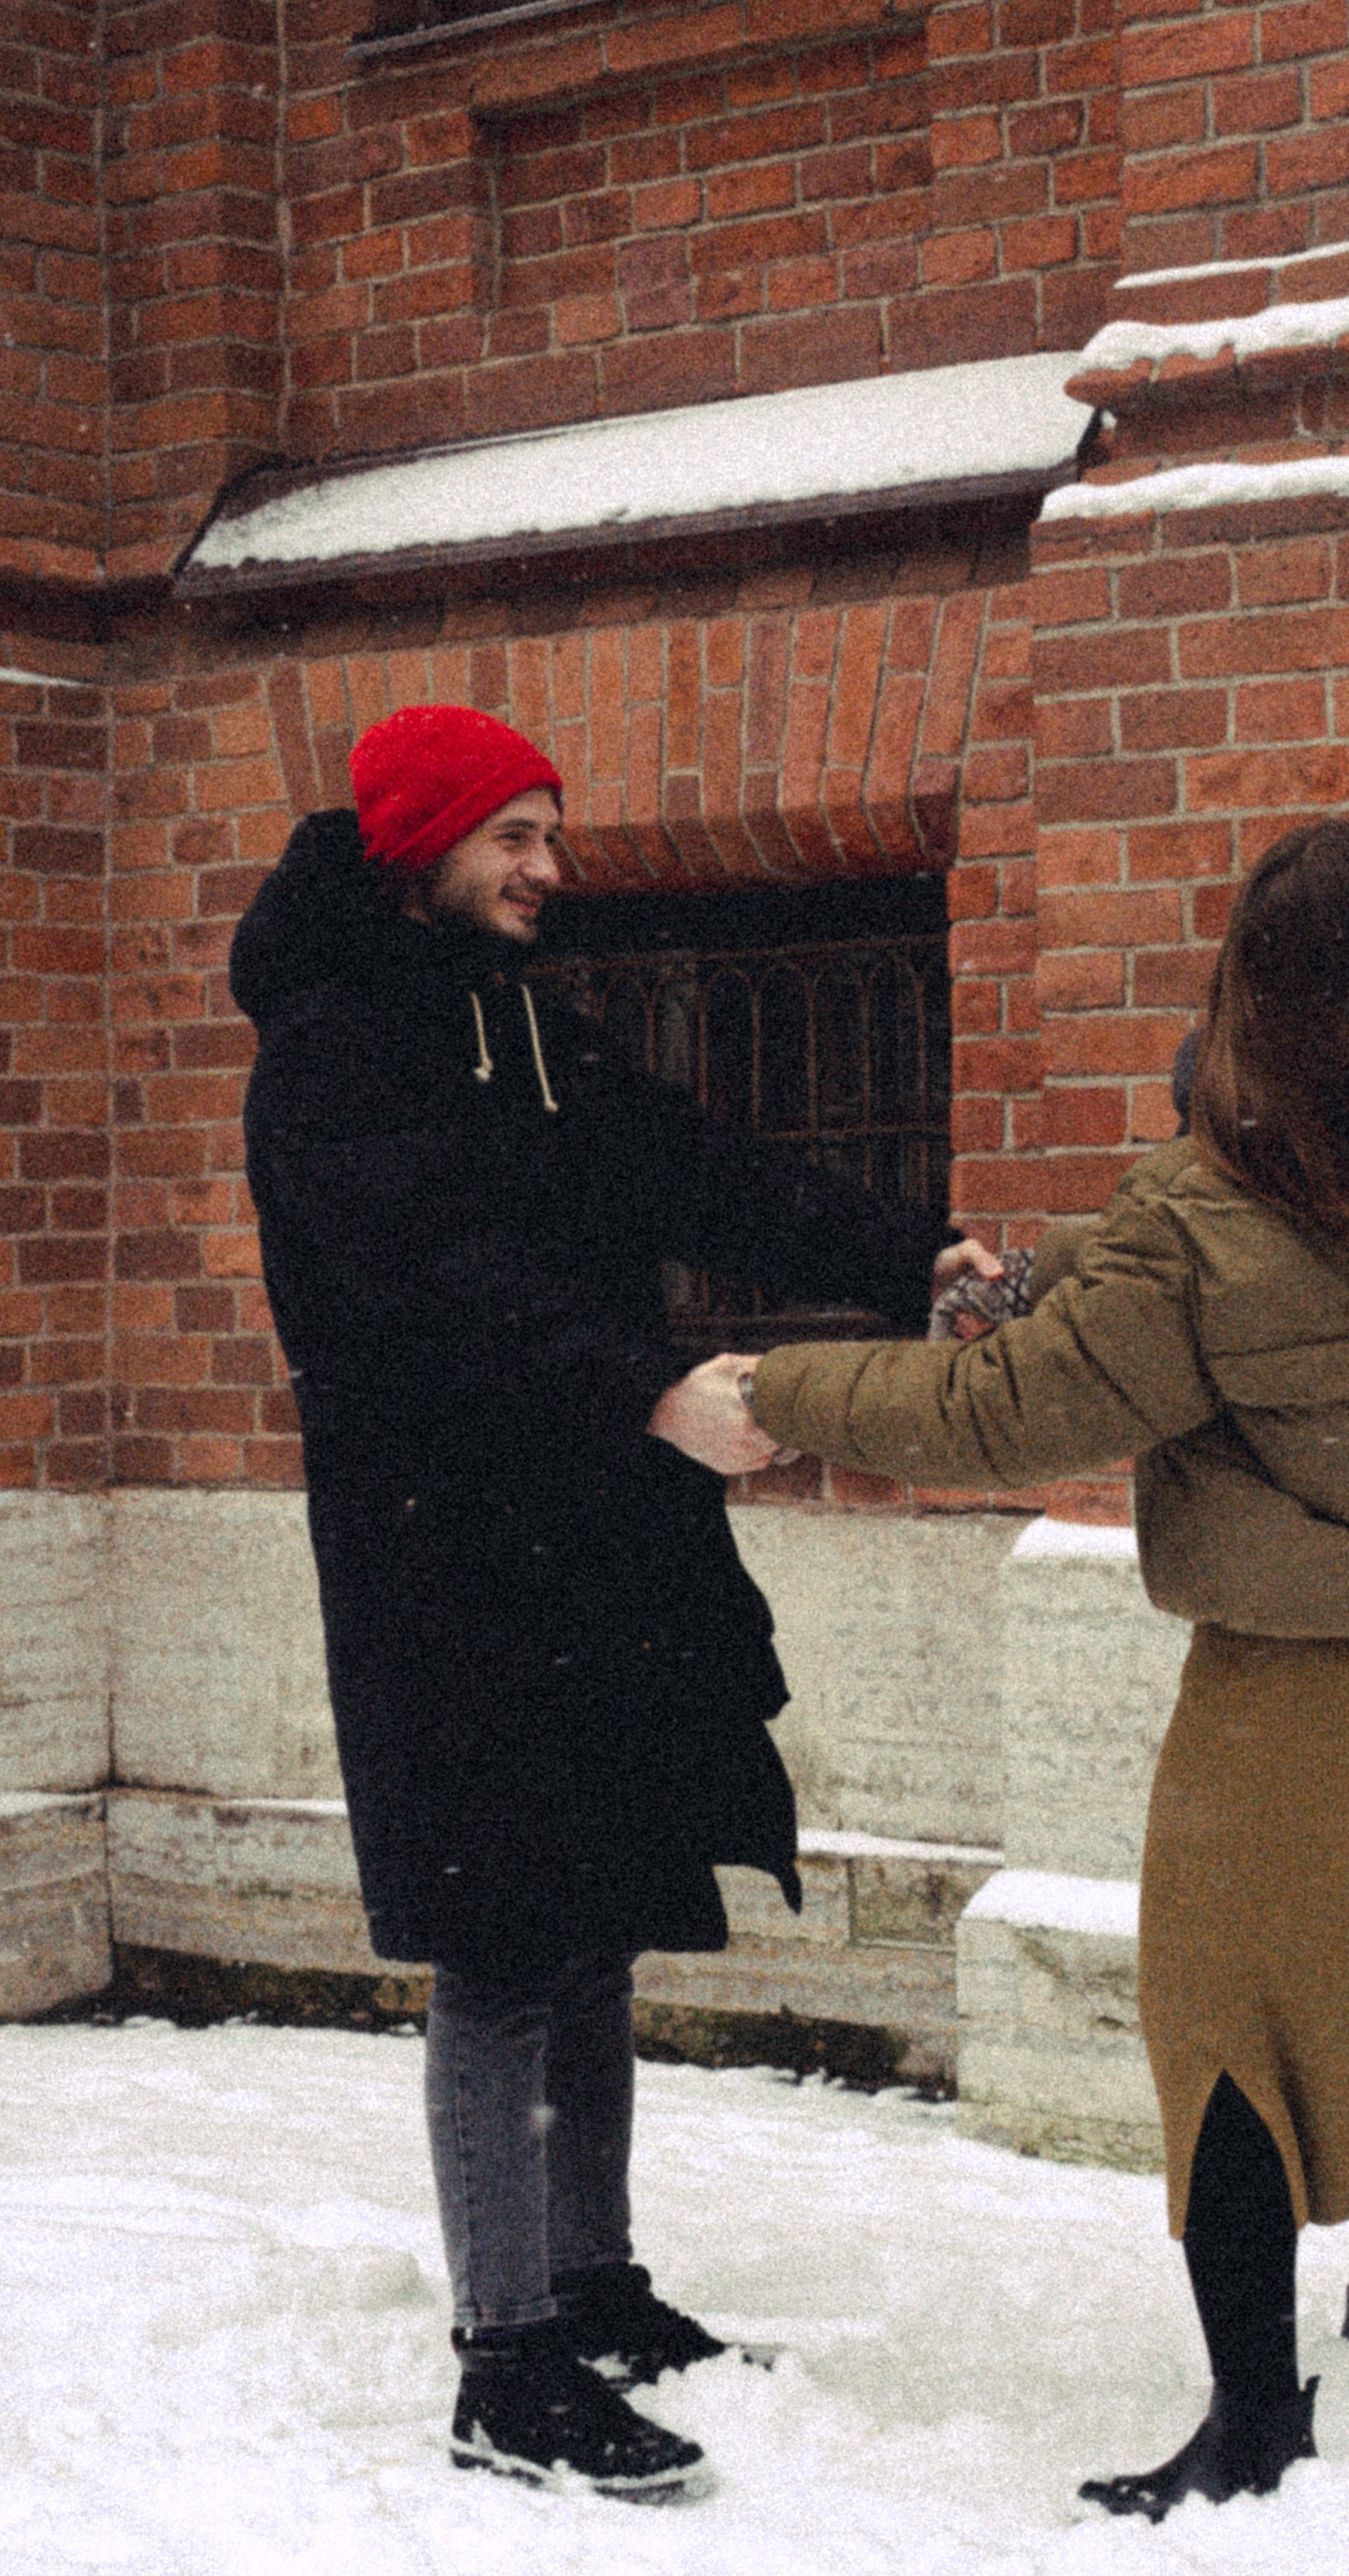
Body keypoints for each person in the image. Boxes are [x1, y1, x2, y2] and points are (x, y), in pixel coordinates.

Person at [734, 820, 1349, 2523]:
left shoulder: (1214, 1216)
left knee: (1219, 2024)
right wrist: (1074, 1270)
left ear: (1258, 999)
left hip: (1292, 1685)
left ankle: (1252, 2422)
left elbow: (1006, 1414)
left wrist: (778, 1389)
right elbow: (1291, 1282)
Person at [229, 704, 994, 2501]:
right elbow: (439, 1289)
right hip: (446, 1557)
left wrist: (907, 1252)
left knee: (589, 1914)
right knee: (500, 1938)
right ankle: (506, 2365)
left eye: (550, 836)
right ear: (422, 844)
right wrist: (648, 1390)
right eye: (515, 838)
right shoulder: (336, 1059)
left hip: (584, 1539)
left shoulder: (519, 1025)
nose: (548, 870)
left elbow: (692, 1164)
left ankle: (592, 2285)